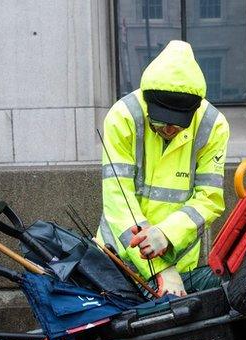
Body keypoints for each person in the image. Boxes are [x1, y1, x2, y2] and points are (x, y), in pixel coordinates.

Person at [96, 40, 228, 297]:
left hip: (182, 266)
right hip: (119, 260)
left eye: (178, 124)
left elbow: (209, 199)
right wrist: (160, 266)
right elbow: (118, 201)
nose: (169, 130)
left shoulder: (213, 126)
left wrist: (167, 235)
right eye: (162, 121)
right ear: (147, 103)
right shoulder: (123, 117)